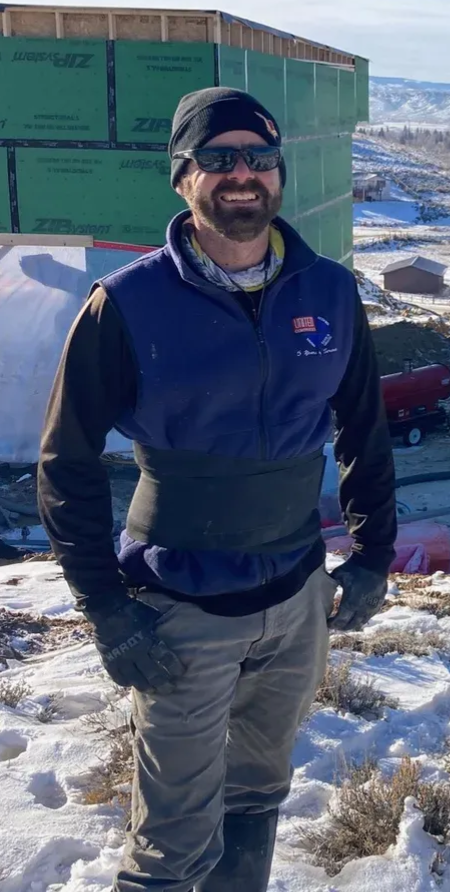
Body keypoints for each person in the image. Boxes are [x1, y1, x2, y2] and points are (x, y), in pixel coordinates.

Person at [38, 87, 397, 892]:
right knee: (170, 843)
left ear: (279, 174)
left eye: (260, 158)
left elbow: (364, 431)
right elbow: (65, 462)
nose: (243, 174)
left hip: (298, 595)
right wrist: (106, 607)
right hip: (179, 608)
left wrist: (374, 554)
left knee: (258, 794)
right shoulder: (126, 304)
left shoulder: (329, 291)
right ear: (183, 176)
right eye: (219, 158)